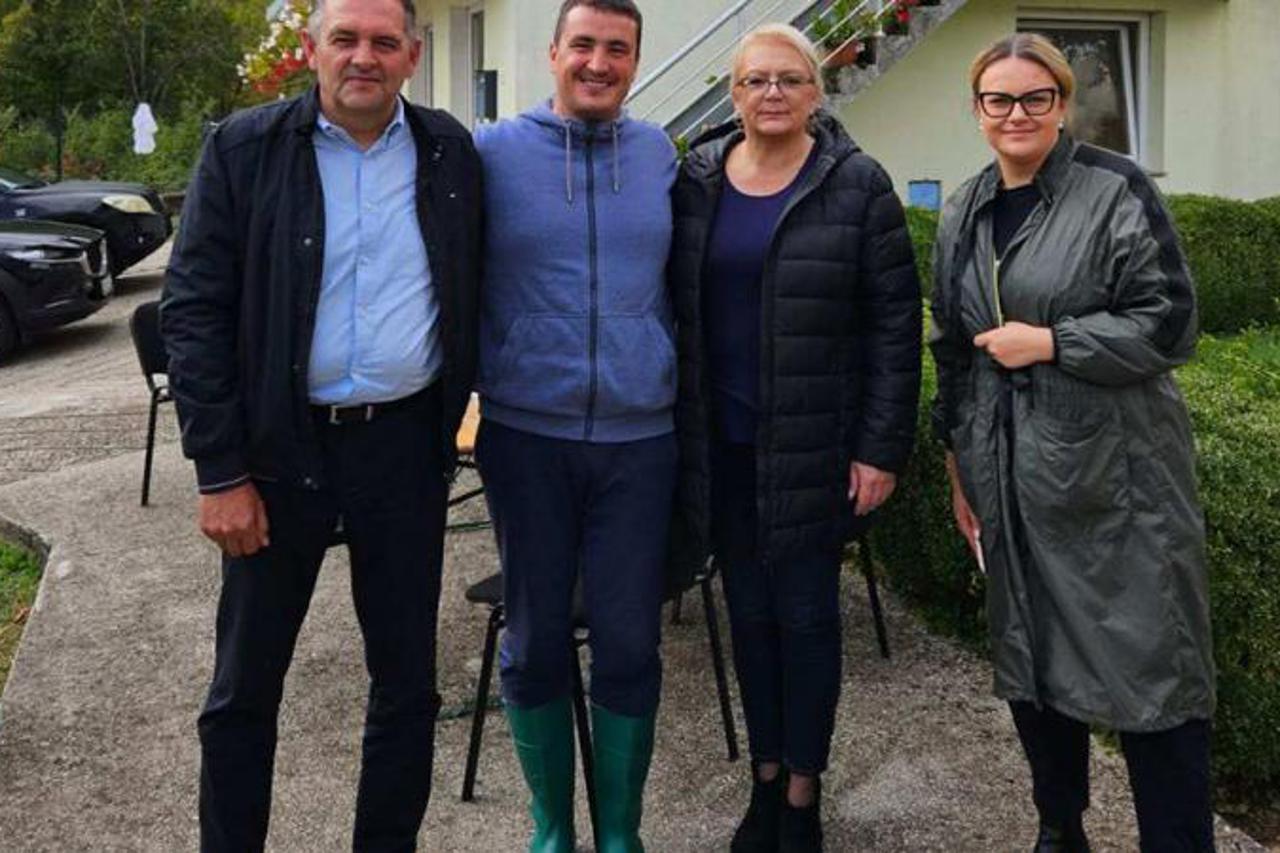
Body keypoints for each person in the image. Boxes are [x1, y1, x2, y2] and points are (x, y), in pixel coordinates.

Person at [160, 0, 481, 849]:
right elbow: (192, 312)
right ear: (311, 50)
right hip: (276, 453)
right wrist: (220, 470)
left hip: (403, 448)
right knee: (244, 688)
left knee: (406, 685)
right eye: (345, 38)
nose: (363, 57)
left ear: (413, 56)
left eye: (383, 42)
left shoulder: (449, 151)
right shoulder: (244, 149)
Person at [930, 33, 1216, 853]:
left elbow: (1169, 322)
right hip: (1005, 471)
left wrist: (1053, 341)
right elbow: (952, 346)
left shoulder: (1115, 188)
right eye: (999, 99)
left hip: (1116, 480)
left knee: (1153, 670)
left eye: (1035, 97)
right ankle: (1060, 826)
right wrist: (958, 462)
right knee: (1032, 656)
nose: (1016, 114)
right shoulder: (964, 208)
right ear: (978, 110)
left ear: (1062, 103)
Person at [669, 24, 922, 853]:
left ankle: (805, 790)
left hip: (816, 449)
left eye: (788, 79)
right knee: (747, 615)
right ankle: (766, 776)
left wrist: (880, 448)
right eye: (755, 80)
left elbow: (894, 328)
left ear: (815, 90)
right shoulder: (698, 180)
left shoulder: (857, 184)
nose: (771, 93)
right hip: (724, 448)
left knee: (807, 618)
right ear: (733, 93)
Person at [470, 1, 677, 850]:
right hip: (526, 437)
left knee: (630, 644)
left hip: (640, 441)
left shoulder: (662, 155)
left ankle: (620, 831)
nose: (599, 62)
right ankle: (551, 826)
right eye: (583, 44)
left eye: (617, 49)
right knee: (534, 642)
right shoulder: (491, 154)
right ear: (553, 52)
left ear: (635, 61)